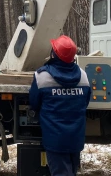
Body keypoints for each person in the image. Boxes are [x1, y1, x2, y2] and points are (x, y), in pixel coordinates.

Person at [29, 35, 91, 176]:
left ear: (54, 54)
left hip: (54, 139)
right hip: (75, 139)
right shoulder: (83, 76)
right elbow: (85, 102)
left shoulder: (42, 77)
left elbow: (34, 103)